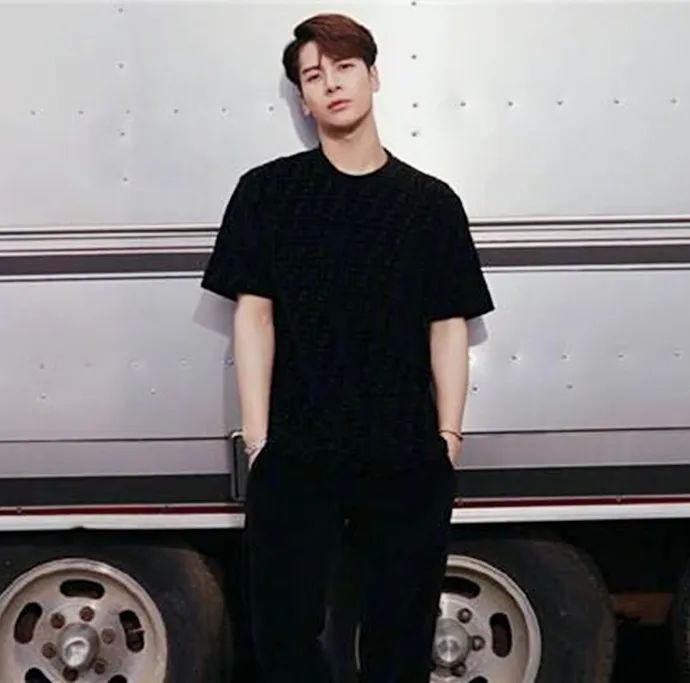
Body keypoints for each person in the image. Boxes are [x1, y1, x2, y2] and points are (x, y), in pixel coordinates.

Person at [200, 12, 495, 682]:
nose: (331, 83)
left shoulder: (430, 204)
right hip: (297, 453)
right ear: (302, 101)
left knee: (400, 640)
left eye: (343, 67)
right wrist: (260, 442)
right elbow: (254, 318)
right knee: (283, 637)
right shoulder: (268, 192)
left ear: (373, 76)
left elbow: (448, 324)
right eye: (313, 76)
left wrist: (447, 438)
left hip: (405, 452)